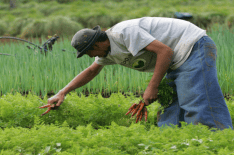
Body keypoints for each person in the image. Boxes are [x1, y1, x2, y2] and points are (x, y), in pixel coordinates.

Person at [41, 17, 233, 130]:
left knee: (197, 99)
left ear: (97, 45)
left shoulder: (124, 33)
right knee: (170, 106)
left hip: (193, 45)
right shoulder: (106, 52)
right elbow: (91, 71)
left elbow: (165, 51)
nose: (90, 56)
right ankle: (173, 141)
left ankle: (214, 139)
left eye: (88, 52)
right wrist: (62, 92)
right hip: (176, 59)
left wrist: (153, 85)